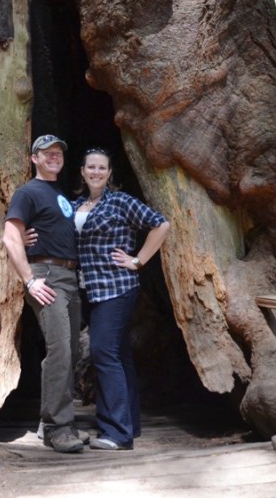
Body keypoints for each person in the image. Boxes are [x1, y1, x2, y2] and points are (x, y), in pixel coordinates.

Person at [73, 147, 169, 450]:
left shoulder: (120, 201)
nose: (96, 172)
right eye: (91, 167)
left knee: (104, 352)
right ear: (83, 171)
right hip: (90, 290)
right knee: (119, 354)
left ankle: (116, 433)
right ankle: (130, 424)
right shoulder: (75, 205)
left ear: (110, 173)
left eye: (102, 167)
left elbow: (160, 224)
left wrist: (138, 260)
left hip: (117, 288)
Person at [2, 134, 86, 454]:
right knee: (60, 349)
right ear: (34, 158)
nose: (53, 156)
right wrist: (30, 281)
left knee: (71, 352)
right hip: (46, 277)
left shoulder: (59, 194)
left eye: (57, 152)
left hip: (69, 277)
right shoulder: (28, 192)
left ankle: (54, 422)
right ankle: (55, 427)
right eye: (45, 152)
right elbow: (10, 237)